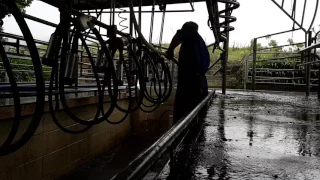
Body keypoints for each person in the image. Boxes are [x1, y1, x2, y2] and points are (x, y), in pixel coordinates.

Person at [166, 21, 210, 123]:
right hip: (200, 79)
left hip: (190, 78)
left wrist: (170, 50)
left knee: (184, 109)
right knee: (197, 109)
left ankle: (183, 132)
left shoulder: (190, 34)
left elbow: (179, 35)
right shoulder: (199, 41)